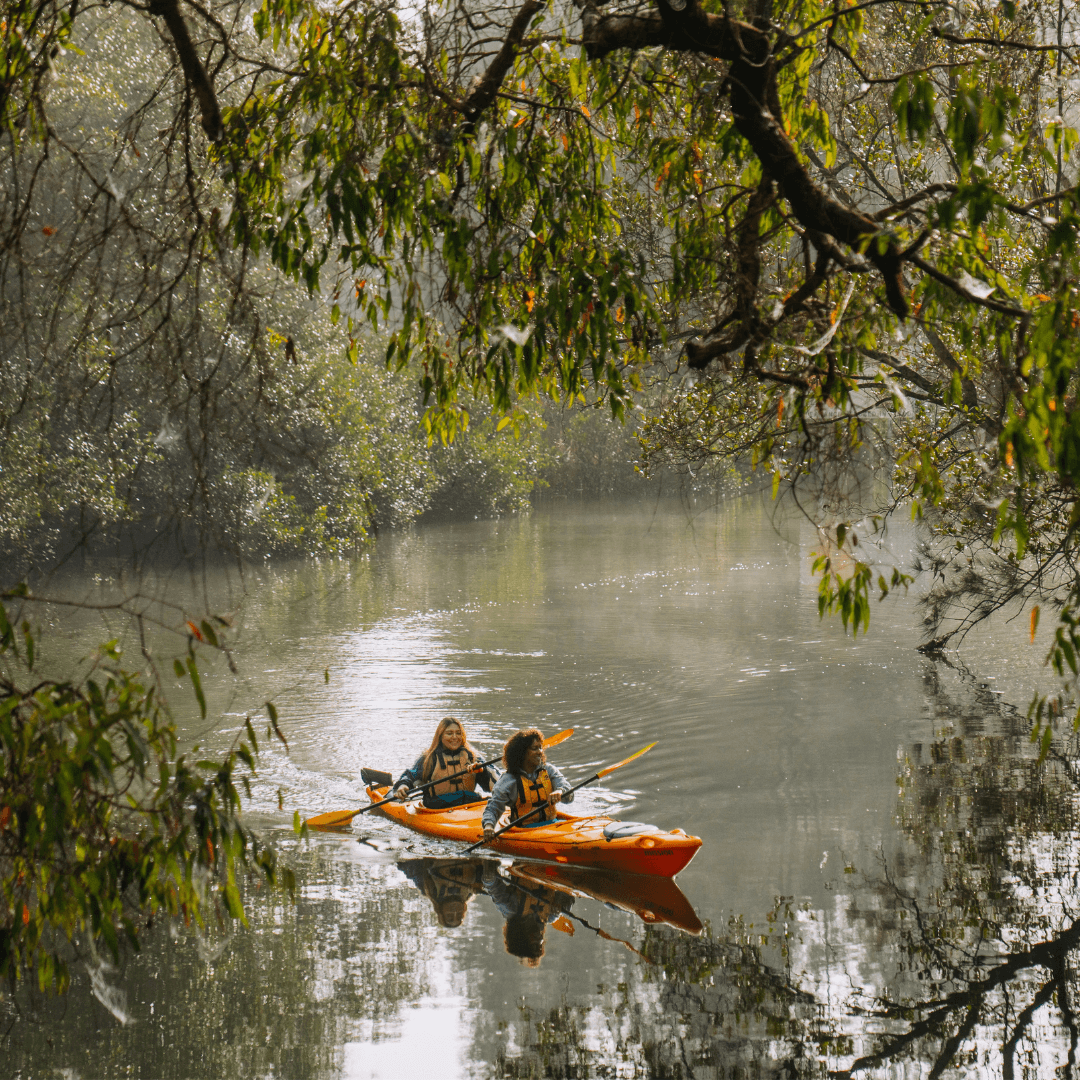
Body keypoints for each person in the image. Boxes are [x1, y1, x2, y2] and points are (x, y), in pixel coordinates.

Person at [481, 727, 574, 842]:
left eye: (540, 747)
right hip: (525, 831)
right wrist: (489, 826)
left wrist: (560, 792)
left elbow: (569, 794)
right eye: (535, 748)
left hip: (553, 825)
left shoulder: (548, 771)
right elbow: (493, 807)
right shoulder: (509, 780)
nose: (540, 751)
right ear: (522, 753)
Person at [391, 717, 498, 809]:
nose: (455, 737)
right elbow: (411, 775)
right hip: (437, 806)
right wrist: (403, 785)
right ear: (440, 736)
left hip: (469, 803)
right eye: (449, 733)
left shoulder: (472, 757)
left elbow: (497, 780)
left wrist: (482, 771)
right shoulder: (429, 758)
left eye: (458, 733)